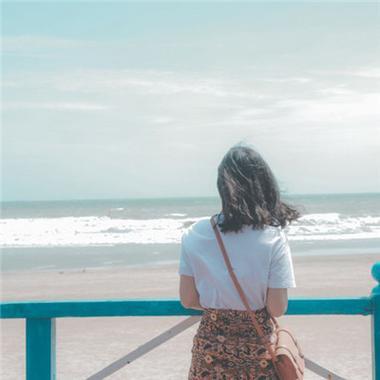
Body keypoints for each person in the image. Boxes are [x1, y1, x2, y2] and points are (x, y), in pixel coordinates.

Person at [178, 143, 301, 380]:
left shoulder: (195, 233)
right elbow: (277, 307)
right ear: (264, 186)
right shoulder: (272, 237)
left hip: (209, 354)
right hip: (258, 356)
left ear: (222, 187)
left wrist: (222, 306)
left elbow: (188, 299)